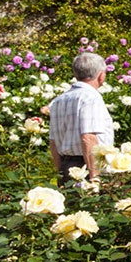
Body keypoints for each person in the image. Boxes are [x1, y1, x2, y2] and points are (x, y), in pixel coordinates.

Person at [47, 51, 114, 187]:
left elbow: (53, 143)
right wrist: (95, 177)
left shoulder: (58, 101)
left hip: (66, 166)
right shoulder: (90, 97)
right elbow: (88, 137)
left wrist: (61, 172)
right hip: (88, 166)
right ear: (101, 75)